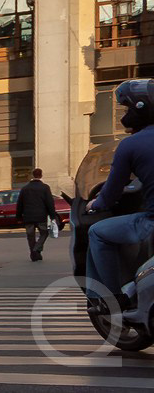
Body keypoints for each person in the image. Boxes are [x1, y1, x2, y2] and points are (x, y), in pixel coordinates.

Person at [85, 80, 154, 307]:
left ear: (139, 109)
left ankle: (114, 298)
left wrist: (95, 204)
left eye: (126, 109)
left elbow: (111, 193)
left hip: (151, 224)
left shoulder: (130, 145)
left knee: (97, 232)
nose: (125, 115)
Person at [17, 168, 58, 262]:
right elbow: (49, 203)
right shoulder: (45, 187)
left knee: (30, 236)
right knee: (44, 233)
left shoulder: (25, 188)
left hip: (28, 216)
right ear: (41, 175)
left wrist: (18, 217)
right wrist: (52, 216)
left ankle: (34, 254)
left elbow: (20, 203)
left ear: (32, 175)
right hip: (41, 216)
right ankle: (37, 248)